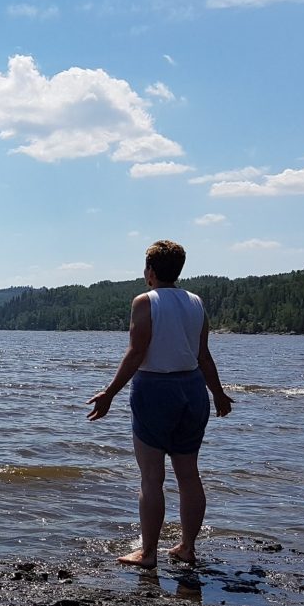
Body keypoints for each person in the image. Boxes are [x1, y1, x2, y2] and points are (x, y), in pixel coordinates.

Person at [86, 240, 234, 569]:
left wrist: (109, 393)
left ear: (150, 271)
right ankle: (187, 548)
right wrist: (218, 394)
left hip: (155, 390)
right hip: (193, 390)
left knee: (152, 477)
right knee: (188, 475)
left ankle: (148, 553)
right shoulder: (196, 302)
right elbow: (203, 355)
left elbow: (137, 352)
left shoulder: (145, 301)